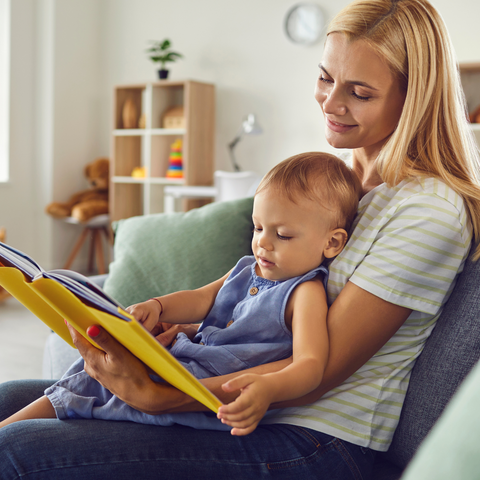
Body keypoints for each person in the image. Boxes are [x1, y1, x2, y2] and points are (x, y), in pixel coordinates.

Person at [1, 0, 480, 478]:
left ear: (413, 96)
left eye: (359, 92)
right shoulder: (340, 186)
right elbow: (252, 302)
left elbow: (318, 371)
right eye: (325, 78)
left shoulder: (426, 210)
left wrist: (161, 395)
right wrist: (179, 335)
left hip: (314, 439)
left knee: (15, 450)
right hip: (239, 412)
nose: (331, 104)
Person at [0, 152, 361, 436]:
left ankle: (12, 434)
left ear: (332, 243)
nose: (262, 243)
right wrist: (158, 306)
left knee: (91, 388)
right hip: (188, 365)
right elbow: (202, 298)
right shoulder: (246, 267)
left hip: (205, 391)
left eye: (283, 235)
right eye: (258, 227)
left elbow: (312, 365)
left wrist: (267, 388)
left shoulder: (305, 292)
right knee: (95, 367)